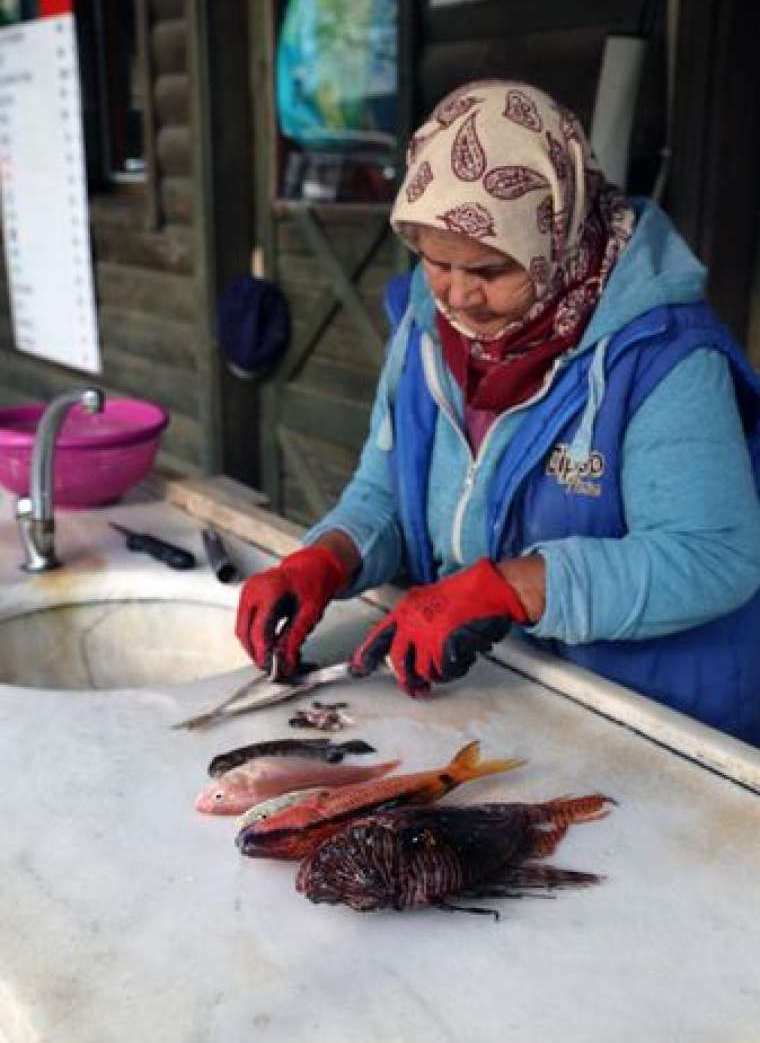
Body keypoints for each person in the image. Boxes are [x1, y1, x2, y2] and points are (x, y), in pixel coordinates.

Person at [236, 80, 760, 746]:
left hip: (657, 727)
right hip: (504, 699)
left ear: (555, 237)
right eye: (434, 261)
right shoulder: (426, 328)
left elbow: (717, 556)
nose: (459, 296)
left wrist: (515, 586)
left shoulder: (663, 357)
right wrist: (327, 557)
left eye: (488, 268)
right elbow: (385, 491)